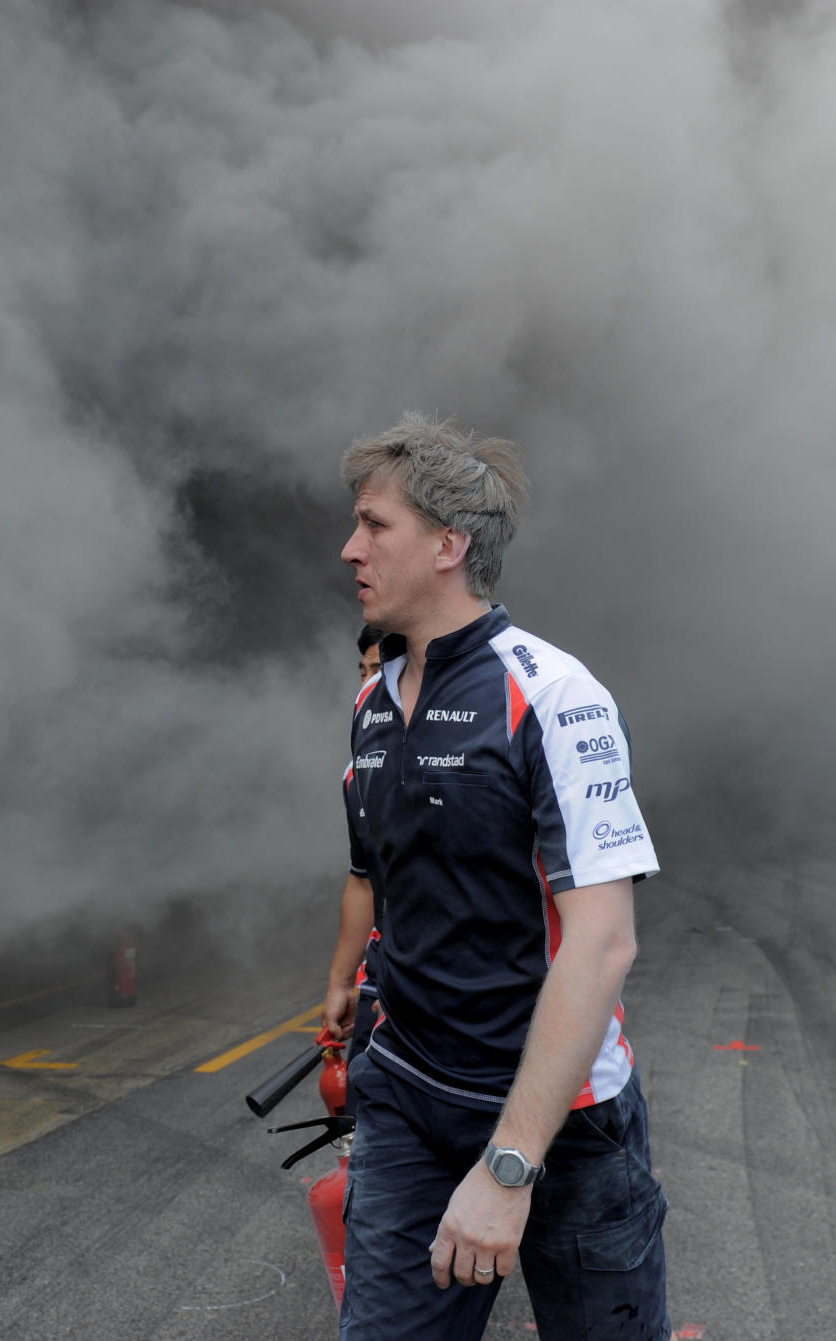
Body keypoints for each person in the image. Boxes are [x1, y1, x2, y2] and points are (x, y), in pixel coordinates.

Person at [334, 413, 675, 1341]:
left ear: (449, 545)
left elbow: (603, 939)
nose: (349, 547)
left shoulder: (557, 695)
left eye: (374, 525)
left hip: (561, 1122)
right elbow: (390, 894)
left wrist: (510, 1164)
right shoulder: (370, 702)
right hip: (409, 1098)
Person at [322, 625, 386, 1074]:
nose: (366, 684)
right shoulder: (357, 772)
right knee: (359, 1132)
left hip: (463, 1001)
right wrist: (341, 983)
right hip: (381, 986)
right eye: (362, 671)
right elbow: (362, 881)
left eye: (379, 671)